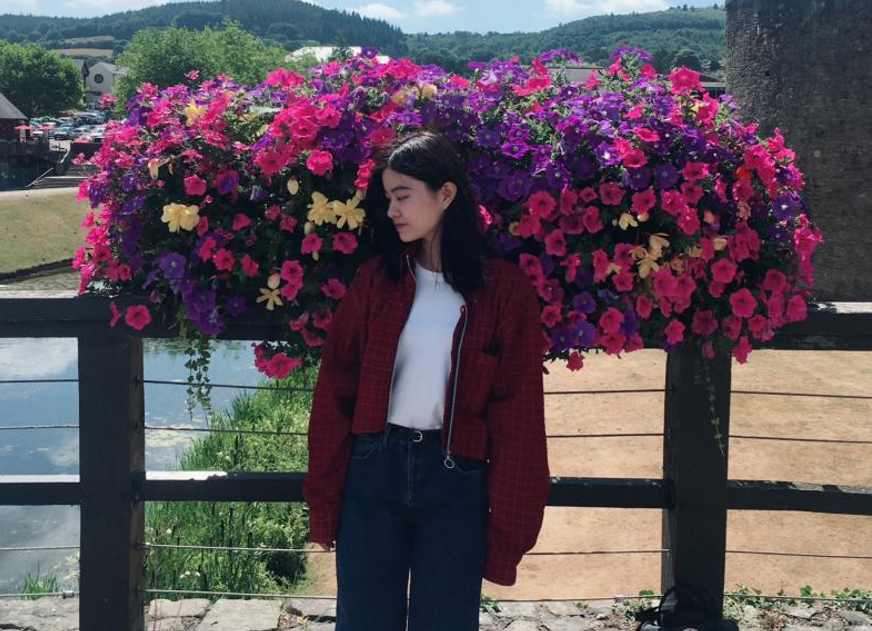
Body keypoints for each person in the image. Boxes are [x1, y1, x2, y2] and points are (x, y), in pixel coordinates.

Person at [302, 130, 550, 631]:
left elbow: (519, 418)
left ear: (446, 194)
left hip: (457, 479)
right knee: (364, 621)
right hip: (373, 469)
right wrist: (324, 502)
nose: (392, 210)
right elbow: (335, 393)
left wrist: (508, 535)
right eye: (387, 198)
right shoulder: (376, 282)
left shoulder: (503, 292)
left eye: (403, 195)